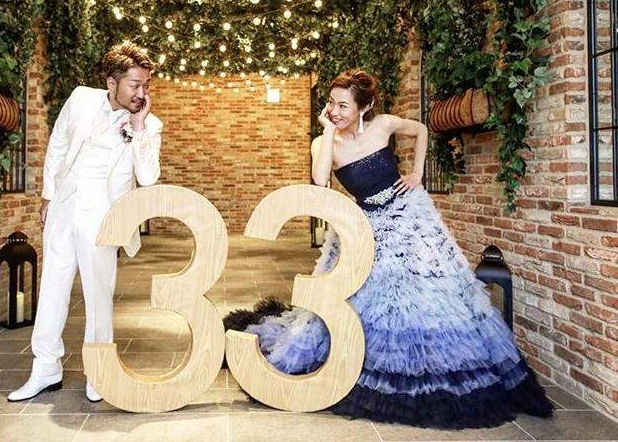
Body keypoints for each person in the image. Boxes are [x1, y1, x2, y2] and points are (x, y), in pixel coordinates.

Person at [225, 69, 553, 428]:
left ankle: (431, 366)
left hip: (409, 216)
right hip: (364, 225)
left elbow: (421, 130)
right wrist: (329, 130)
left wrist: (417, 174)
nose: (334, 110)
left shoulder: (382, 125)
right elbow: (320, 181)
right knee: (368, 298)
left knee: (426, 294)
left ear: (364, 108)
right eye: (331, 103)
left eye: (343, 106)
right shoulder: (324, 142)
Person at [8, 42, 163, 403]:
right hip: (65, 205)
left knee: (98, 293)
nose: (142, 93)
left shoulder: (149, 124)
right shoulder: (80, 99)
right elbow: (58, 144)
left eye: (146, 85)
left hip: (102, 215)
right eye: (135, 85)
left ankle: (98, 370)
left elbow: (148, 177)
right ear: (111, 83)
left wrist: (139, 127)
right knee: (52, 287)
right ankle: (45, 368)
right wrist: (48, 195)